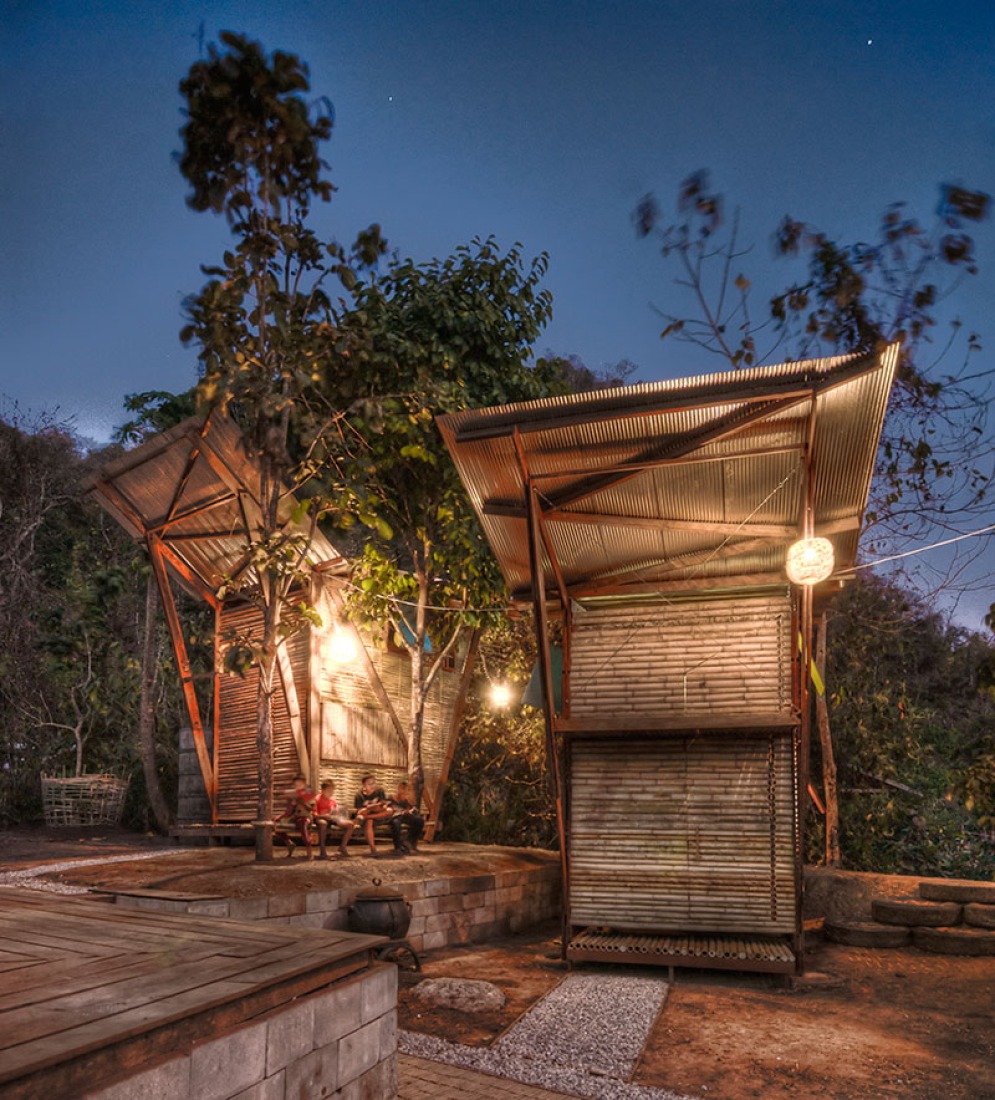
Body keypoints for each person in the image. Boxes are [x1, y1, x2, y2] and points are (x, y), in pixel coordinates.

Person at [276, 774, 316, 859]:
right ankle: (289, 843)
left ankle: (309, 852)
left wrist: (302, 802)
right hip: (295, 817)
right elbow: (289, 812)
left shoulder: (309, 794)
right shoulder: (294, 797)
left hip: (306, 818)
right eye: (296, 785)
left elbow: (312, 809)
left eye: (300, 785)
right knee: (276, 824)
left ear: (304, 785)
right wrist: (280, 817)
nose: (298, 787)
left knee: (303, 825)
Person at [353, 774, 393, 857]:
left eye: (373, 783)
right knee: (368, 821)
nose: (372, 786)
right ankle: (373, 849)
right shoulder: (359, 795)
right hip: (368, 816)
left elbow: (384, 806)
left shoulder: (379, 791)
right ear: (363, 785)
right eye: (369, 784)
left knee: (390, 810)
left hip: (379, 815)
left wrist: (377, 807)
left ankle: (368, 817)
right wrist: (370, 808)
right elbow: (360, 811)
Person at [314, 780, 355, 859]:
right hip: (321, 818)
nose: (331, 793)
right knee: (323, 824)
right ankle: (323, 851)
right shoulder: (317, 799)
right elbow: (314, 814)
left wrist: (336, 813)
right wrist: (323, 816)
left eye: (332, 791)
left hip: (332, 818)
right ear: (323, 790)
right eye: (329, 791)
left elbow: (337, 813)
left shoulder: (332, 800)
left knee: (350, 824)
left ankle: (342, 847)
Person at [388, 780, 425, 854]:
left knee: (419, 821)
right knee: (396, 823)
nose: (404, 794)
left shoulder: (405, 800)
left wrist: (412, 810)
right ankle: (398, 847)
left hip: (404, 816)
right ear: (398, 789)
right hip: (395, 817)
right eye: (402, 790)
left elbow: (409, 809)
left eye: (405, 791)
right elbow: (388, 810)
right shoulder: (390, 798)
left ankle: (409, 841)